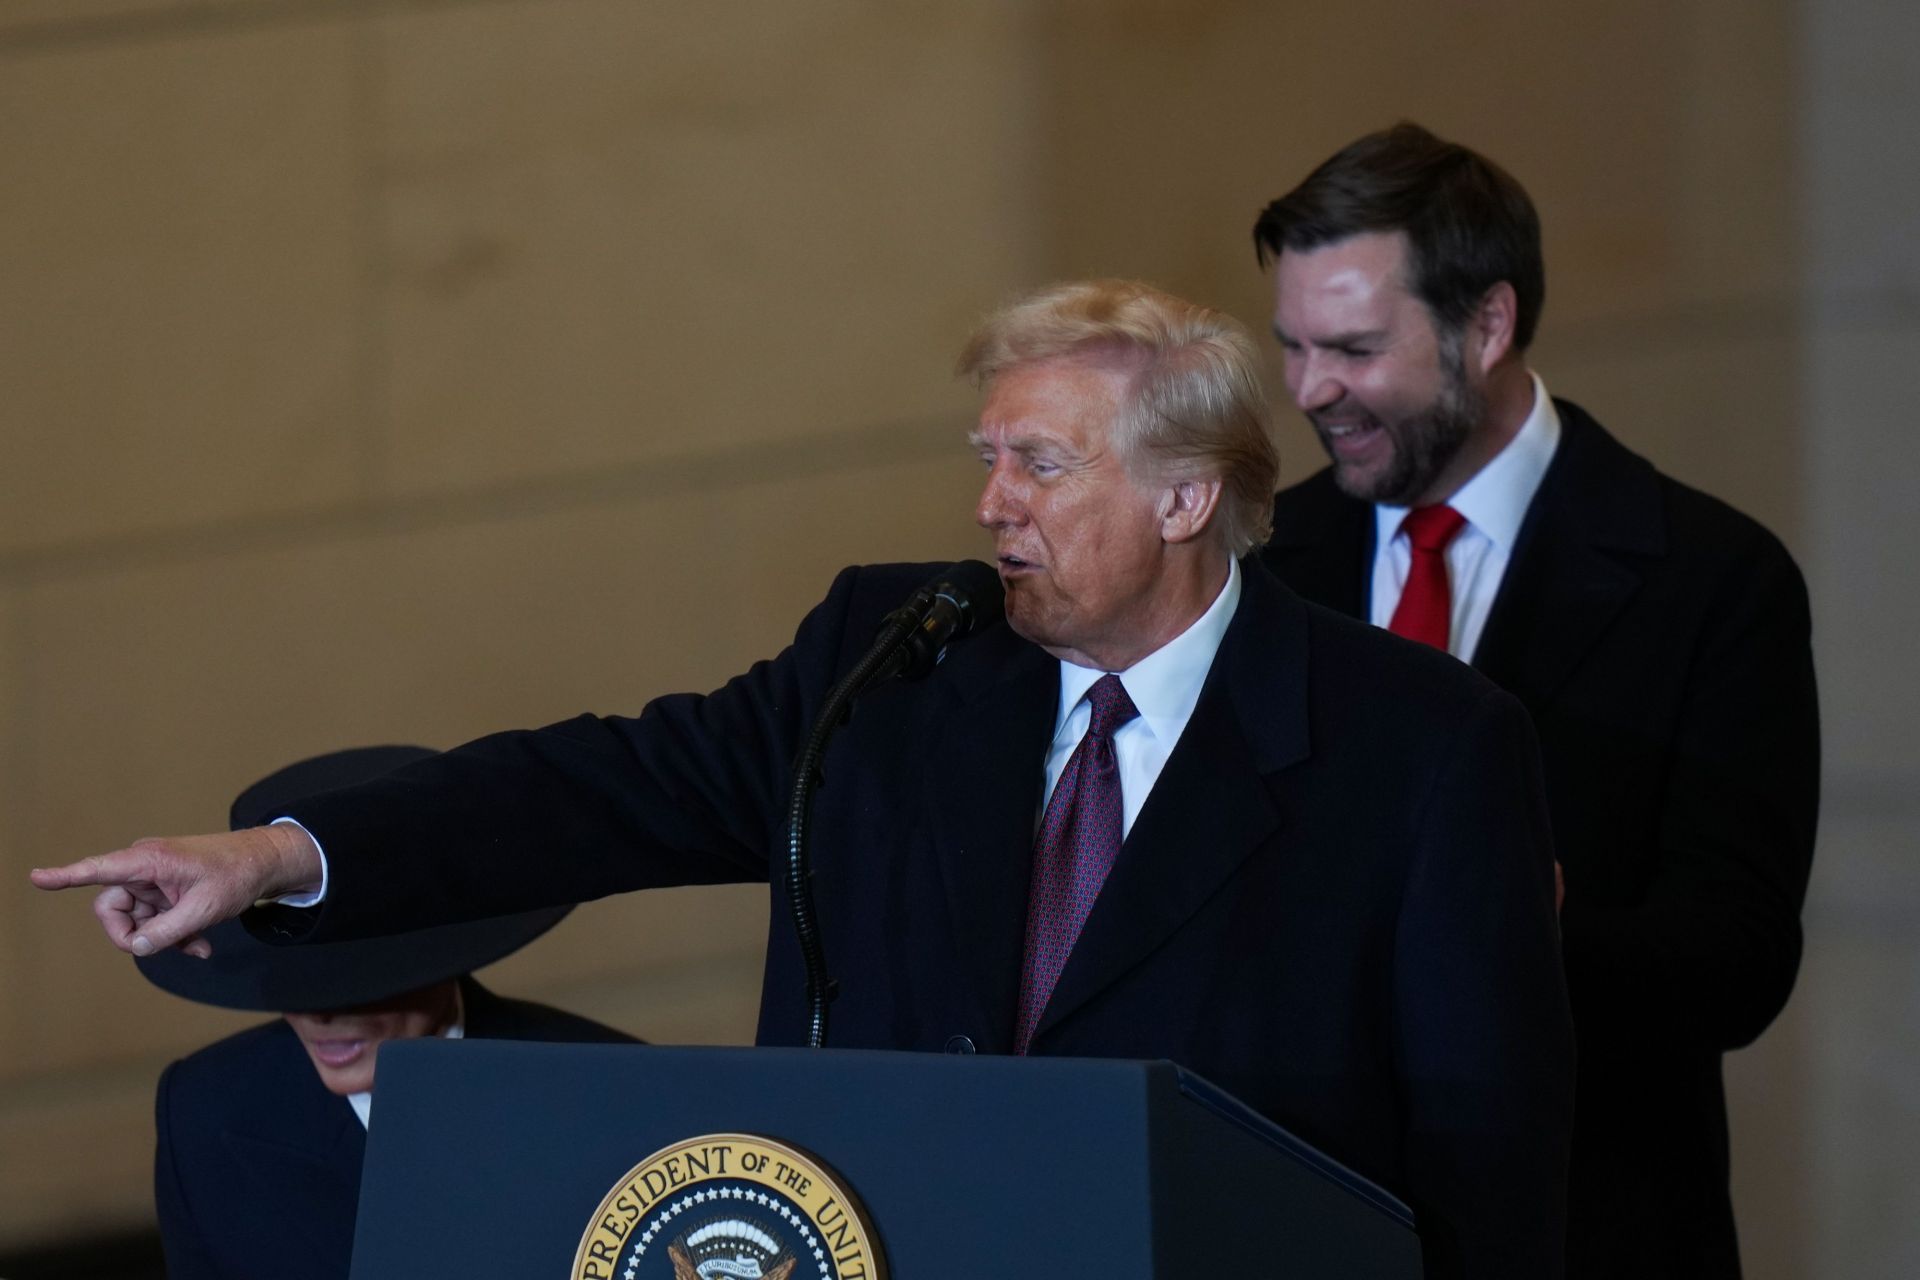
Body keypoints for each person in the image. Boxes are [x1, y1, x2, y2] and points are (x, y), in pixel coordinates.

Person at [35, 280, 1573, 1280]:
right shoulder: (896, 660)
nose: (989, 507)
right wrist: (286, 859)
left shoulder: (1421, 751)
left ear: (1186, 496)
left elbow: (1485, 1169)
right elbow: (602, 787)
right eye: (985, 458)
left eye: (1038, 467)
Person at [1251, 124, 1820, 1279]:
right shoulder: (1263, 564)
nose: (1312, 392)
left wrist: (1522, 922)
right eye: (1293, 346)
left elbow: (1741, 959)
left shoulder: (1711, 575)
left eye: (1354, 348)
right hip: (1298, 1227)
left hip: (1591, 1231)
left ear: (1489, 325)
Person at [139, 746, 638, 1280]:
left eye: (359, 978)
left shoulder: (613, 1093)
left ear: (445, 949)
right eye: (295, 977)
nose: (320, 1015)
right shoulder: (205, 1112)